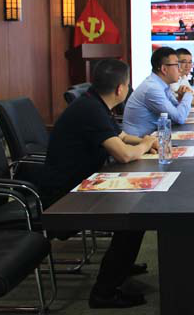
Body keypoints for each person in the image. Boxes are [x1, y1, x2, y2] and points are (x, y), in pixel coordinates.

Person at [39, 60, 157, 308]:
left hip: (82, 182)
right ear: (120, 89)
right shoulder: (90, 110)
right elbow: (123, 154)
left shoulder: (94, 103)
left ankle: (121, 266)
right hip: (65, 196)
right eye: (128, 84)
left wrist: (143, 142)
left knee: (136, 206)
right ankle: (104, 292)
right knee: (133, 217)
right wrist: (146, 144)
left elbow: (119, 136)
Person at [122, 47, 194, 136]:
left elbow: (176, 111)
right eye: (177, 65)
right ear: (164, 69)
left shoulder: (162, 85)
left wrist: (181, 99)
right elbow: (180, 117)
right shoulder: (152, 89)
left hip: (152, 137)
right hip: (137, 141)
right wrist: (188, 94)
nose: (180, 70)